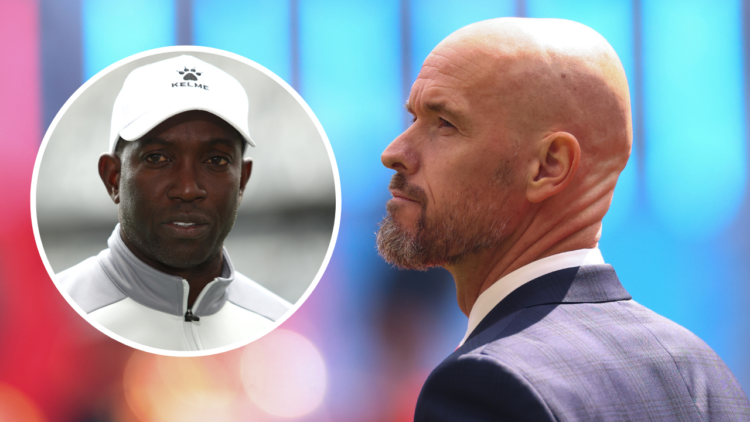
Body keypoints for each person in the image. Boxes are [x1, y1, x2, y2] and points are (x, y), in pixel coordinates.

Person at [377, 18, 750, 421]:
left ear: (549, 166)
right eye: (413, 118)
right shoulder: (705, 374)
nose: (394, 151)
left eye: (444, 123)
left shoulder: (486, 385)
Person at [58, 55, 291, 352]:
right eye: (157, 158)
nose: (188, 188)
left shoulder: (278, 326)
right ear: (113, 177)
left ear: (242, 180)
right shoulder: (52, 319)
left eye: (216, 160)